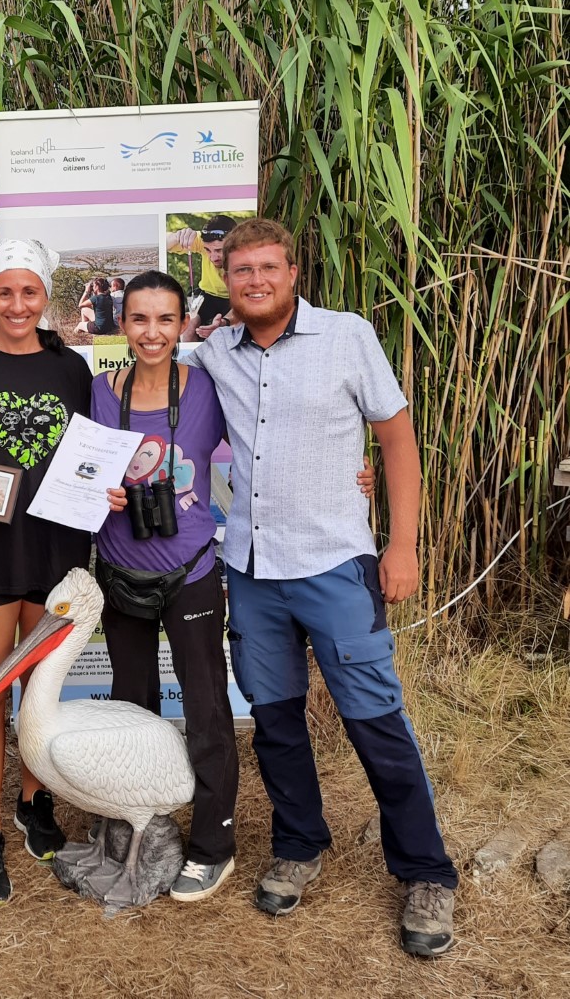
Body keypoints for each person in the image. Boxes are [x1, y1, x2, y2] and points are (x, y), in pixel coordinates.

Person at [193, 218, 459, 955]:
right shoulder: (216, 349)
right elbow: (151, 367)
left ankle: (426, 871)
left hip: (339, 565)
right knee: (276, 722)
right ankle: (299, 844)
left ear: (294, 269)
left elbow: (396, 436)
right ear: (227, 278)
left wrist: (399, 544)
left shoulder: (347, 336)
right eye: (240, 270)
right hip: (251, 572)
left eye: (267, 267)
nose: (254, 280)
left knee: (375, 718)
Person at [0, 238, 119, 906]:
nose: (17, 304)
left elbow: (95, 451)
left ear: (45, 297)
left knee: (41, 679)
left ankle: (32, 801)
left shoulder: (72, 369)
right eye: (5, 292)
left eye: (29, 292)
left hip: (54, 545)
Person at [90, 270, 239, 902]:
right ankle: (139, 826)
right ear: (122, 323)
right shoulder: (96, 392)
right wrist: (101, 492)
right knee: (132, 705)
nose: (153, 333)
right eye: (140, 319)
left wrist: (358, 473)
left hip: (192, 571)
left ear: (183, 325)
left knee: (205, 707)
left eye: (166, 320)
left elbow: (270, 445)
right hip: (121, 568)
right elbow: (76, 473)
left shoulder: (209, 388)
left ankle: (212, 844)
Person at [167, 214, 236, 341]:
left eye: (219, 250)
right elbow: (163, 243)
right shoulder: (201, 240)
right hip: (206, 295)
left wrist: (225, 322)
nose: (212, 257)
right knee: (187, 328)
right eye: (207, 250)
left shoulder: (247, 254)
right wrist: (178, 236)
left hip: (235, 298)